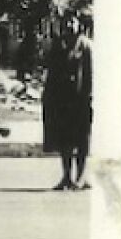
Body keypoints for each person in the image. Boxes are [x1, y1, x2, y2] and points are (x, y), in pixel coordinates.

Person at [42, 13, 93, 191]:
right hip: (62, 102)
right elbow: (51, 73)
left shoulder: (86, 45)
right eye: (67, 22)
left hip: (81, 101)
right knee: (65, 141)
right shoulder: (58, 45)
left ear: (79, 24)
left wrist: (90, 97)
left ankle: (80, 177)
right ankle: (66, 176)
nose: (70, 25)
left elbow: (91, 74)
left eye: (73, 22)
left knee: (82, 141)